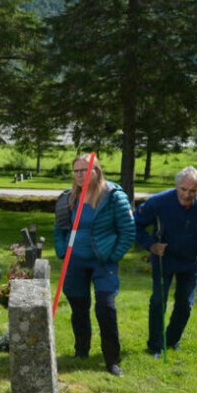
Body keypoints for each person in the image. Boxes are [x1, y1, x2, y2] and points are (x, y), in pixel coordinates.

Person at [134, 166, 197, 357]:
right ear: (176, 186)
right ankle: (155, 346)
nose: (187, 195)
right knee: (158, 301)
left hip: (193, 259)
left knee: (185, 304)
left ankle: (172, 341)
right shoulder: (159, 201)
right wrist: (151, 245)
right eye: (183, 189)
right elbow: (136, 224)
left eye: (193, 191)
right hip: (163, 257)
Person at [53, 154, 135, 376]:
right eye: (76, 171)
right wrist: (62, 251)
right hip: (75, 261)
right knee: (79, 308)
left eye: (85, 170)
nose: (80, 175)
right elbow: (60, 229)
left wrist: (113, 255)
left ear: (96, 171)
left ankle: (112, 359)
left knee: (105, 308)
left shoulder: (113, 197)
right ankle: (81, 351)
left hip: (103, 261)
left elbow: (128, 231)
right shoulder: (67, 198)